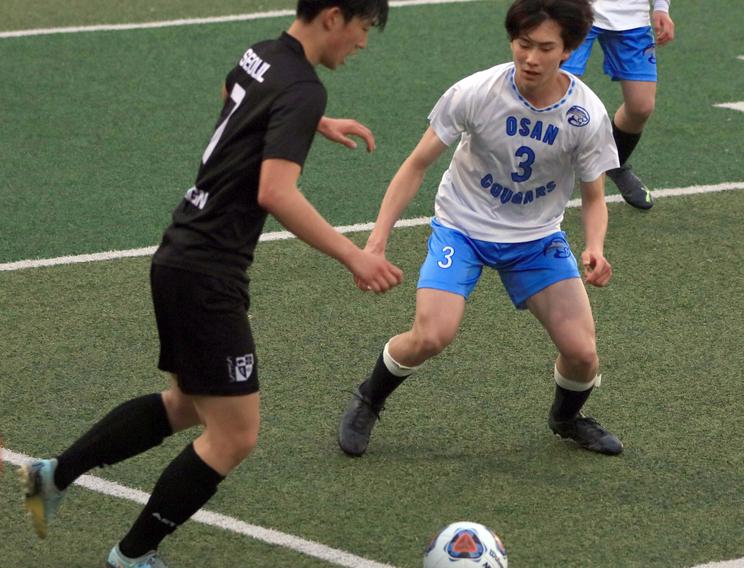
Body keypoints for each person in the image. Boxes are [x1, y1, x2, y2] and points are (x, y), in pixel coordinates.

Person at [18, 1, 402, 566]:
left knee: (190, 404)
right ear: (334, 17)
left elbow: (232, 98)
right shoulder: (303, 85)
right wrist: (353, 256)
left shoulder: (263, 55)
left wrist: (308, 124)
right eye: (363, 28)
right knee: (235, 435)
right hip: (208, 273)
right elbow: (276, 193)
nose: (363, 42)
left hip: (180, 254)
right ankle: (130, 557)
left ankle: (52, 477)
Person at [338, 0, 624, 459]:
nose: (530, 57)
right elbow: (416, 165)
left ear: (568, 50)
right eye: (522, 43)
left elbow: (594, 197)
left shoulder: (585, 116)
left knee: (583, 353)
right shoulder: (476, 92)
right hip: (462, 228)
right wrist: (377, 239)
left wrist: (595, 246)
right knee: (433, 335)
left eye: (544, 48)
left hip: (535, 240)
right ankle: (369, 397)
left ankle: (566, 418)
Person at [561, 0, 675, 209]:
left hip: (632, 17)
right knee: (558, 95)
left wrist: (661, 8)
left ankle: (614, 162)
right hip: (575, 10)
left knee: (641, 107)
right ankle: (532, 178)